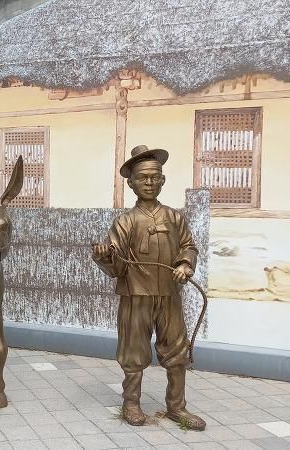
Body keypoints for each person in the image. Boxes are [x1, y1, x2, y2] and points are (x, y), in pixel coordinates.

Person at [92, 145, 206, 430]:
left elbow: (189, 246)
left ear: (163, 180)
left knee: (176, 351)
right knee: (133, 351)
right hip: (135, 295)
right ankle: (131, 402)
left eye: (155, 177)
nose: (149, 183)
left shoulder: (175, 218)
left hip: (169, 295)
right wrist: (105, 255)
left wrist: (185, 265)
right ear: (131, 184)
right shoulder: (125, 221)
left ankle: (177, 407)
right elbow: (117, 264)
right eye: (143, 178)